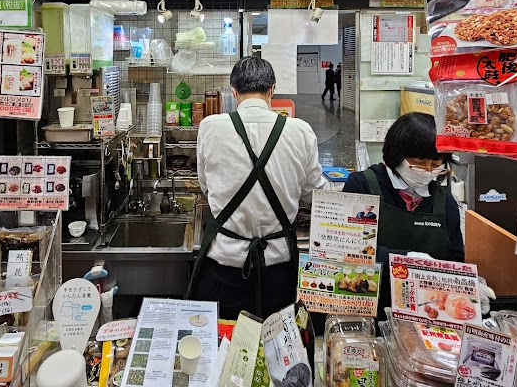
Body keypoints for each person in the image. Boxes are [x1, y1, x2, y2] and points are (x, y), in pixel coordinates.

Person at [188, 57, 326, 320]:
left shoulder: (210, 127)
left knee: (226, 340)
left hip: (224, 266)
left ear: (234, 92)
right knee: (277, 342)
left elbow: (206, 187)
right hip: (279, 268)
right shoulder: (300, 131)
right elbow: (314, 193)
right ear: (272, 90)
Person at [342, 112, 463, 318]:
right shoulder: (362, 186)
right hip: (366, 310)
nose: (427, 171)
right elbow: (347, 250)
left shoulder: (446, 203)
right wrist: (406, 259)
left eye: (436, 165)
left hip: (425, 316)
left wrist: (465, 290)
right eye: (419, 162)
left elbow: (455, 262)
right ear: (397, 155)